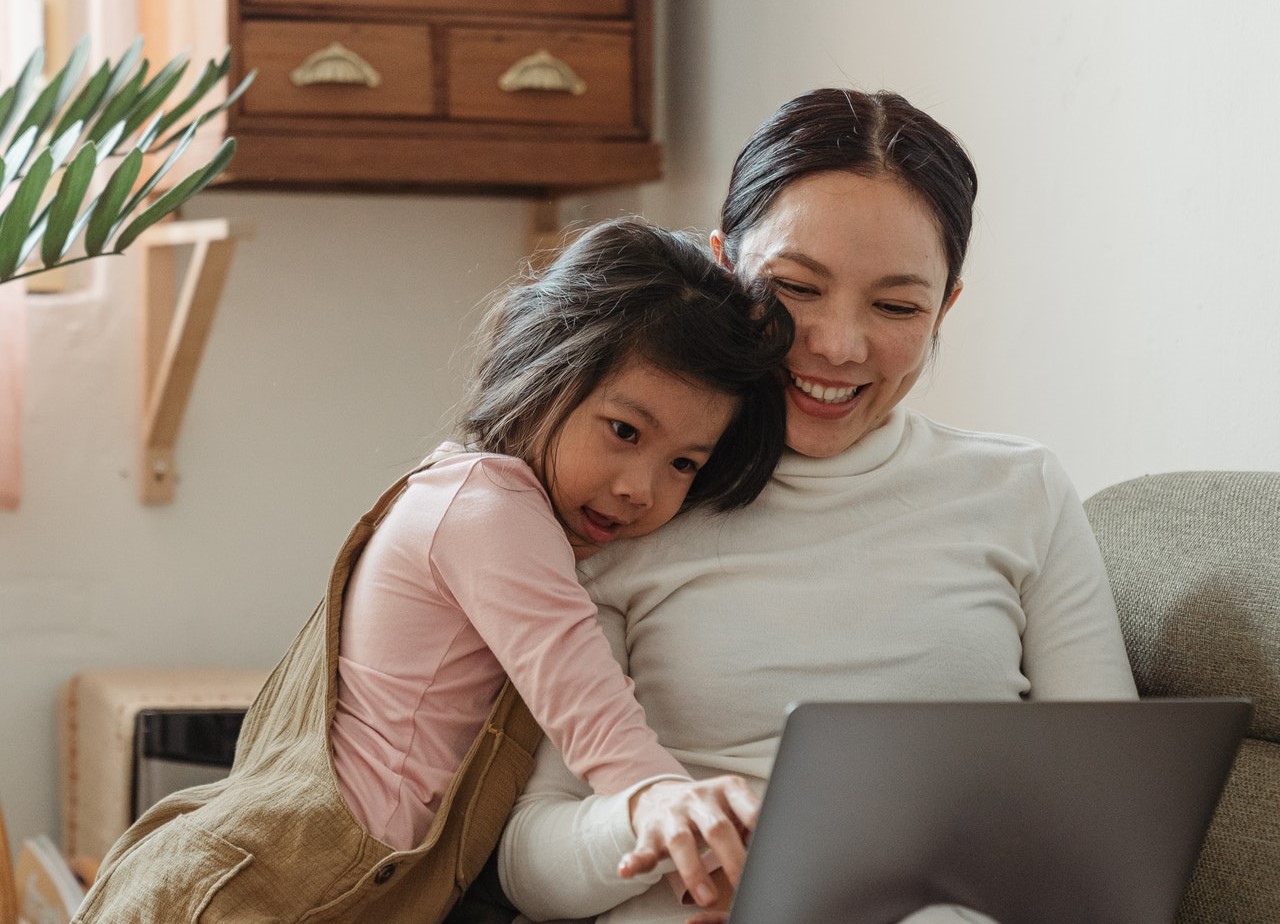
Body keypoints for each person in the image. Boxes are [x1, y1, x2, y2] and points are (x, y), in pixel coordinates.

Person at [495, 88, 1139, 924]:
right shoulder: (634, 501)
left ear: (946, 307)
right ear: (724, 270)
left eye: (898, 305)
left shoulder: (1022, 492)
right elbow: (526, 860)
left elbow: (1119, 822)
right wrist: (652, 821)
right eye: (796, 288)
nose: (837, 344)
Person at [69, 218, 794, 924]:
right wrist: (667, 799)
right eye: (625, 431)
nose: (641, 486)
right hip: (250, 895)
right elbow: (589, 707)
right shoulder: (492, 509)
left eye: (683, 464)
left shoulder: (463, 491)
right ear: (545, 372)